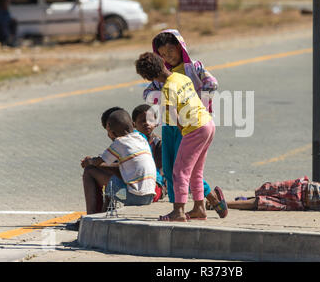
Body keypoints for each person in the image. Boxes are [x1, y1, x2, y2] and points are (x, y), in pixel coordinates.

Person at [142, 29, 227, 219]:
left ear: (180, 47)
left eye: (170, 51)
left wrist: (196, 103)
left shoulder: (193, 68)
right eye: (162, 54)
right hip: (170, 125)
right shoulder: (163, 74)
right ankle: (195, 204)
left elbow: (212, 83)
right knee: (172, 166)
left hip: (189, 125)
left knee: (181, 168)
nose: (168, 57)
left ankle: (187, 207)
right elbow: (147, 94)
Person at [81, 109, 156, 216]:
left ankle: (91, 216)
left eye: (108, 131)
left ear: (112, 132)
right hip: (149, 196)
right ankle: (104, 213)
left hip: (133, 197)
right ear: (133, 125)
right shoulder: (140, 139)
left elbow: (98, 162)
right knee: (111, 178)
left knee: (90, 171)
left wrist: (89, 162)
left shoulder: (119, 142)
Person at [132, 104, 167, 202]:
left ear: (156, 123)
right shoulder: (132, 142)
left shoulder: (159, 143)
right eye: (142, 121)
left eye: (150, 121)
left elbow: (161, 170)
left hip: (156, 183)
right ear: (133, 124)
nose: (147, 123)